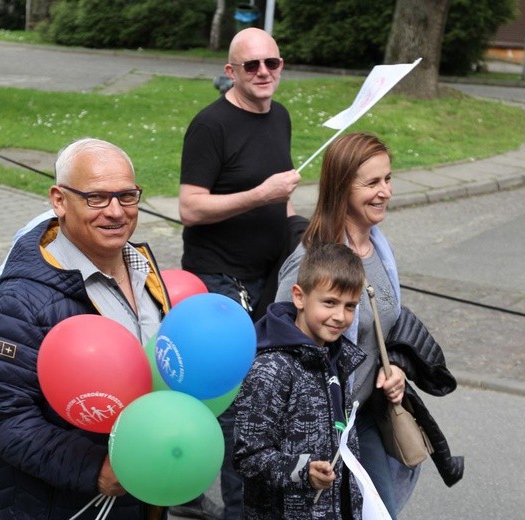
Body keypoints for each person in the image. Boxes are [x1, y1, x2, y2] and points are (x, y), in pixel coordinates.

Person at [0, 138, 171, 519]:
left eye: (127, 196)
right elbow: (4, 419)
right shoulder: (22, 302)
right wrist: (95, 470)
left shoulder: (144, 268)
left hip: (144, 491)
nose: (116, 212)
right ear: (59, 200)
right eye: (96, 197)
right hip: (67, 504)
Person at [276, 132, 464, 518]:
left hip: (362, 417)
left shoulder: (379, 247)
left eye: (388, 179)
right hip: (315, 430)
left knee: (382, 512)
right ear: (342, 187)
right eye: (372, 183)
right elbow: (279, 351)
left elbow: (382, 330)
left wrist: (391, 367)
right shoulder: (311, 259)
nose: (385, 192)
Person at [177, 27, 300, 519]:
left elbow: (283, 191)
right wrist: (259, 196)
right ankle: (238, 509)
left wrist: (298, 235)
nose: (264, 73)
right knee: (236, 397)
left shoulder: (281, 117)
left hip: (267, 275)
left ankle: (182, 479)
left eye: (272, 63)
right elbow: (189, 207)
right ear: (231, 72)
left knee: (227, 392)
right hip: (220, 277)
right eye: (252, 66)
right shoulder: (210, 126)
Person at [234, 243, 367, 519]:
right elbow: (249, 457)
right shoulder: (271, 368)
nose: (340, 316)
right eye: (329, 302)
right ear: (299, 297)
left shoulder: (336, 359)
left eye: (350, 306)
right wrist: (303, 471)